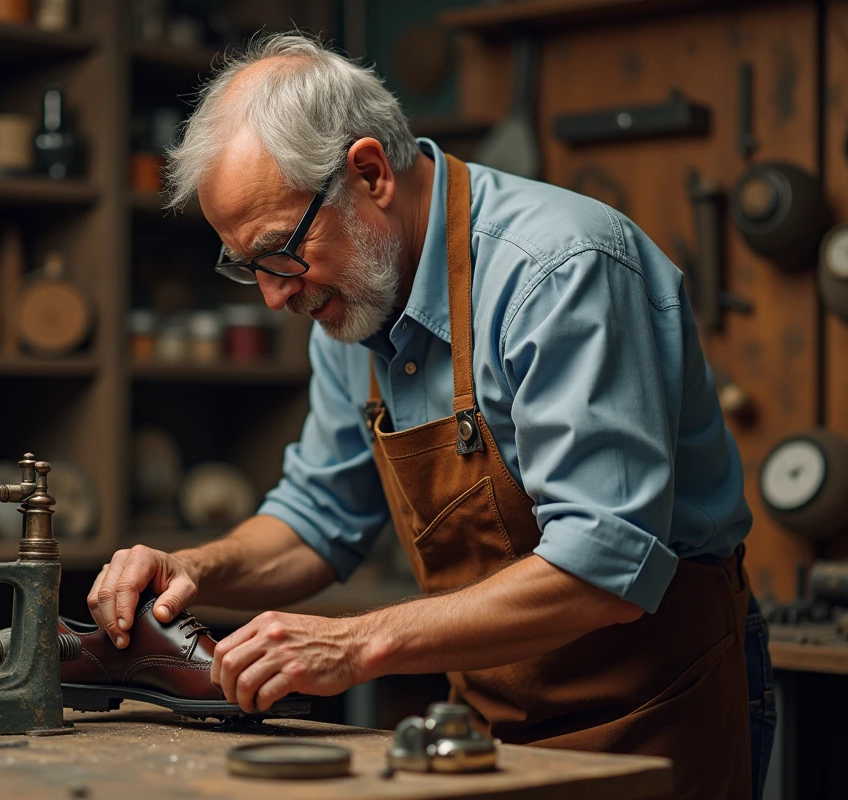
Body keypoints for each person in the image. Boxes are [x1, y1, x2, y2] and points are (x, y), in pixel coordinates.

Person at [90, 33, 773, 800]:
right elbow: (319, 519)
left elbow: (604, 565)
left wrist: (357, 643)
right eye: (247, 267)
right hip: (488, 722)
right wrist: (196, 569)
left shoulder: (560, 271)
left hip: (655, 706)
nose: (275, 296)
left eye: (279, 252)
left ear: (371, 173)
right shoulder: (350, 301)